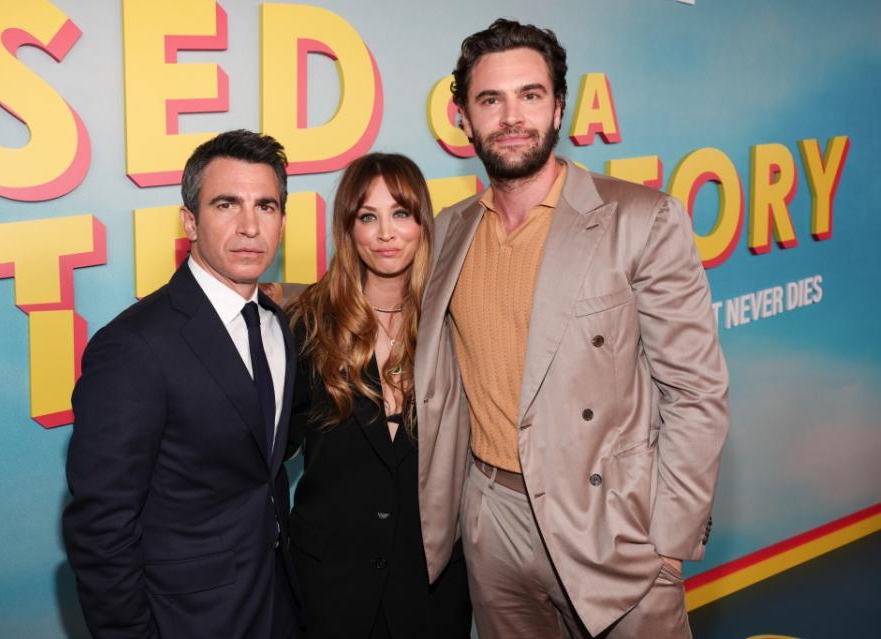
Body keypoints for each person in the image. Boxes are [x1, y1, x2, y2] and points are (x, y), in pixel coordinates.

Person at [414, 19, 730, 638]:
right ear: (463, 118)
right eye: (490, 100)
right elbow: (371, 294)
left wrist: (667, 542)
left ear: (559, 107)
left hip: (613, 527)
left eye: (530, 95)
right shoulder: (448, 231)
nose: (511, 116)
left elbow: (696, 393)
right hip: (491, 521)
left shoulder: (641, 219)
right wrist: (259, 290)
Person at [62, 129, 301, 638]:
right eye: (225, 204)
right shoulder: (134, 346)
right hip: (187, 620)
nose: (249, 226)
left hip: (277, 601)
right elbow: (99, 529)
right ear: (189, 221)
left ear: (283, 219)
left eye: (266, 206)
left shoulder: (277, 325)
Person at [285, 153, 472, 638]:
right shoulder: (306, 323)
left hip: (433, 581)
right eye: (368, 217)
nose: (386, 233)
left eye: (401, 214)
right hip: (329, 582)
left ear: (422, 224)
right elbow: (268, 449)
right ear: (349, 229)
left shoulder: (456, 320)